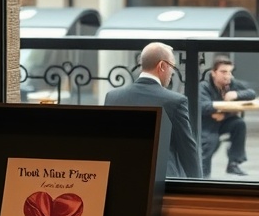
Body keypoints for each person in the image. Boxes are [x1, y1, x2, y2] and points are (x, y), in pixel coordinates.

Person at [105, 41, 202, 178]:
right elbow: (187, 149)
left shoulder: (112, 97)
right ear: (162, 66)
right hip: (163, 180)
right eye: (172, 66)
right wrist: (198, 186)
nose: (172, 73)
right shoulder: (175, 101)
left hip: (122, 176)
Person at [199, 54, 256, 178]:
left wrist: (236, 94)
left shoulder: (231, 83)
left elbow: (251, 93)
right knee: (211, 141)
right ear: (214, 72)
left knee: (239, 124)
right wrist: (220, 108)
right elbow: (203, 106)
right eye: (223, 72)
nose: (227, 75)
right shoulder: (204, 86)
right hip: (207, 124)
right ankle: (203, 175)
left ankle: (233, 163)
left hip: (223, 121)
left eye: (230, 72)